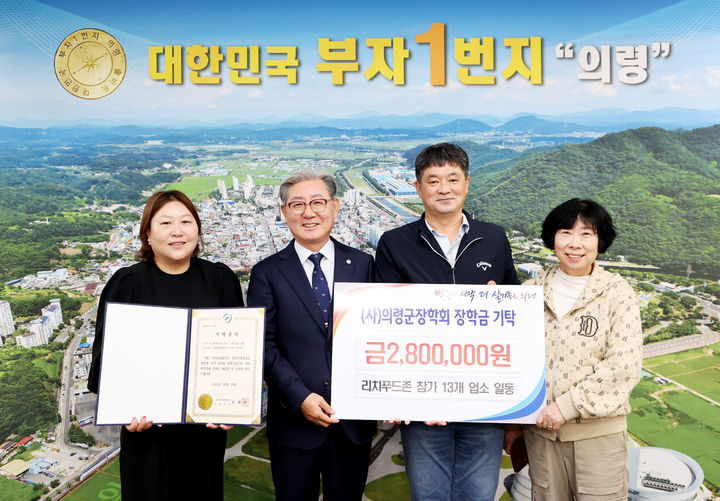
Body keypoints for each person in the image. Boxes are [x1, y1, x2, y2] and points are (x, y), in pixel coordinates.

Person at [374, 142, 520, 501]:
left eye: (452, 179)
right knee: (429, 495)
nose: (444, 189)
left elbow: (518, 318)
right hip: (424, 404)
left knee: (479, 495)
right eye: (433, 180)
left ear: (467, 183)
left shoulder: (494, 238)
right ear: (418, 187)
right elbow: (382, 324)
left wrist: (498, 304)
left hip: (483, 400)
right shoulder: (395, 244)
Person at [87, 190, 244, 501]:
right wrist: (123, 408)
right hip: (147, 438)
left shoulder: (220, 279)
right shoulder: (127, 284)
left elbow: (239, 353)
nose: (177, 230)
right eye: (166, 222)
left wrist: (234, 404)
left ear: (198, 229)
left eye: (186, 221)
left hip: (205, 435)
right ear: (147, 233)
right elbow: (103, 363)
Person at [247, 169, 376, 501]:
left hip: (352, 423)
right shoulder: (267, 273)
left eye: (318, 202)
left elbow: (379, 332)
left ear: (335, 206)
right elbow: (264, 344)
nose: (309, 212)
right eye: (297, 204)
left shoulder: (363, 264)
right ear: (284, 211)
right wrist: (300, 397)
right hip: (294, 421)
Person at [508, 198, 642, 500]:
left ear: (600, 240)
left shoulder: (616, 293)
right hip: (540, 438)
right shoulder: (529, 292)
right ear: (552, 238)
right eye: (566, 232)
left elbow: (624, 365)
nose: (575, 243)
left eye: (586, 234)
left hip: (597, 438)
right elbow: (514, 359)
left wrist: (565, 407)